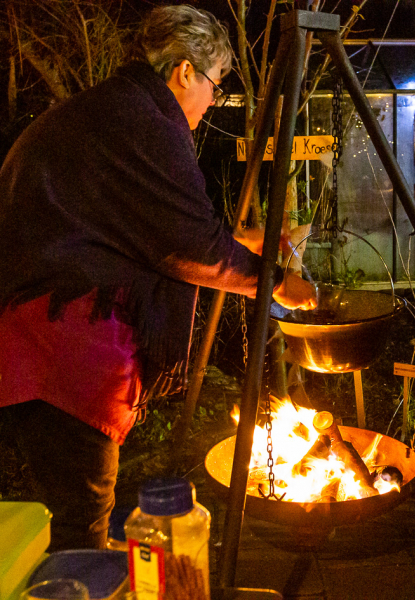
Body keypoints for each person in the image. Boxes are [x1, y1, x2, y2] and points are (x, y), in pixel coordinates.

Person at [0, 5, 316, 551]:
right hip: (66, 348)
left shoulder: (105, 111)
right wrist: (279, 284)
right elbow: (183, 246)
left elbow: (129, 226)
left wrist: (239, 242)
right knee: (84, 515)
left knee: (77, 504)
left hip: (35, 336)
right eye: (215, 82)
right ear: (184, 71)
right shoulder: (145, 123)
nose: (214, 99)